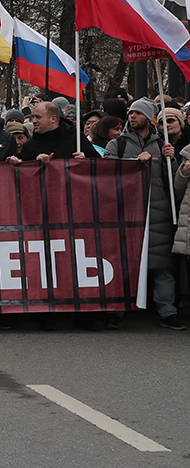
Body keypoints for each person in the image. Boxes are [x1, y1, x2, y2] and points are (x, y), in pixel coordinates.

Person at [103, 97, 181, 329]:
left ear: (149, 118)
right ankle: (118, 309)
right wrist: (132, 163)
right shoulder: (117, 145)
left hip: (158, 213)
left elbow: (174, 183)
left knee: (162, 266)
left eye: (137, 113)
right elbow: (106, 175)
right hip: (127, 212)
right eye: (131, 113)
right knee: (125, 263)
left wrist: (171, 160)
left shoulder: (162, 145)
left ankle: (168, 312)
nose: (132, 116)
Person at [14, 101, 96, 163]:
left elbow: (99, 165)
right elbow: (25, 176)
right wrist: (35, 163)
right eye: (33, 117)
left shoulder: (76, 137)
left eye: (38, 117)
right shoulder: (29, 146)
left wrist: (86, 160)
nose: (34, 121)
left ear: (53, 118)